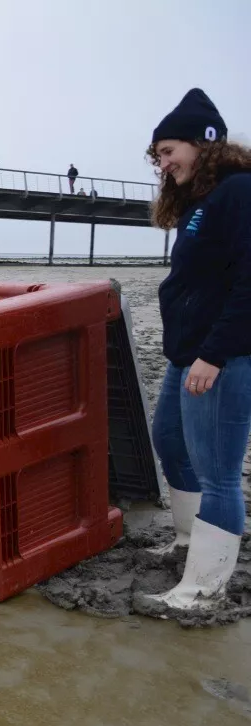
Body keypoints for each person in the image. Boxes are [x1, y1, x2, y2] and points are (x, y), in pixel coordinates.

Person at [134, 88, 251, 615]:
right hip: (189, 350)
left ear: (204, 142)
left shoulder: (240, 191)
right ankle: (188, 543)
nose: (163, 164)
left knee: (218, 471)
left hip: (222, 354)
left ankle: (204, 588)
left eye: (167, 151)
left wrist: (215, 353)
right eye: (158, 156)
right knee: (170, 443)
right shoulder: (199, 204)